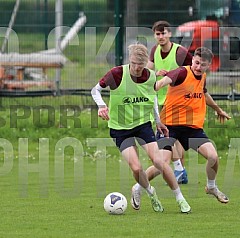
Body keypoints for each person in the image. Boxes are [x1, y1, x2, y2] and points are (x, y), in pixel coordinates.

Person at [91, 43, 191, 213]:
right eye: (134, 63)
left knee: (159, 162)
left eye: (141, 64)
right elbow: (95, 90)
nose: (137, 68)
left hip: (143, 125)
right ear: (130, 60)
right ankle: (151, 193)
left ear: (146, 63)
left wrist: (158, 121)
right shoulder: (117, 73)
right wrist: (101, 106)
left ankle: (180, 198)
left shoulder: (151, 76)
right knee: (137, 168)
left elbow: (151, 98)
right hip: (120, 129)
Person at [146, 47, 231, 203]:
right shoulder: (181, 72)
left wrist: (218, 110)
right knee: (162, 164)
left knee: (213, 157)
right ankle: (138, 186)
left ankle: (211, 186)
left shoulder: (202, 77)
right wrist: (152, 84)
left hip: (191, 129)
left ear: (209, 65)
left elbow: (204, 94)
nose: (198, 67)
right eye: (196, 63)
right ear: (192, 60)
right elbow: (158, 85)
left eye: (202, 65)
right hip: (168, 126)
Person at [146, 20, 193, 184]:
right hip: (161, 100)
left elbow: (192, 73)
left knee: (167, 135)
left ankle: (179, 169)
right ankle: (181, 173)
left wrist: (173, 75)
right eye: (158, 34)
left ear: (170, 34)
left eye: (163, 33)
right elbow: (147, 73)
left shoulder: (180, 52)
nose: (161, 36)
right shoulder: (154, 51)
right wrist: (156, 74)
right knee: (176, 137)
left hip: (178, 99)